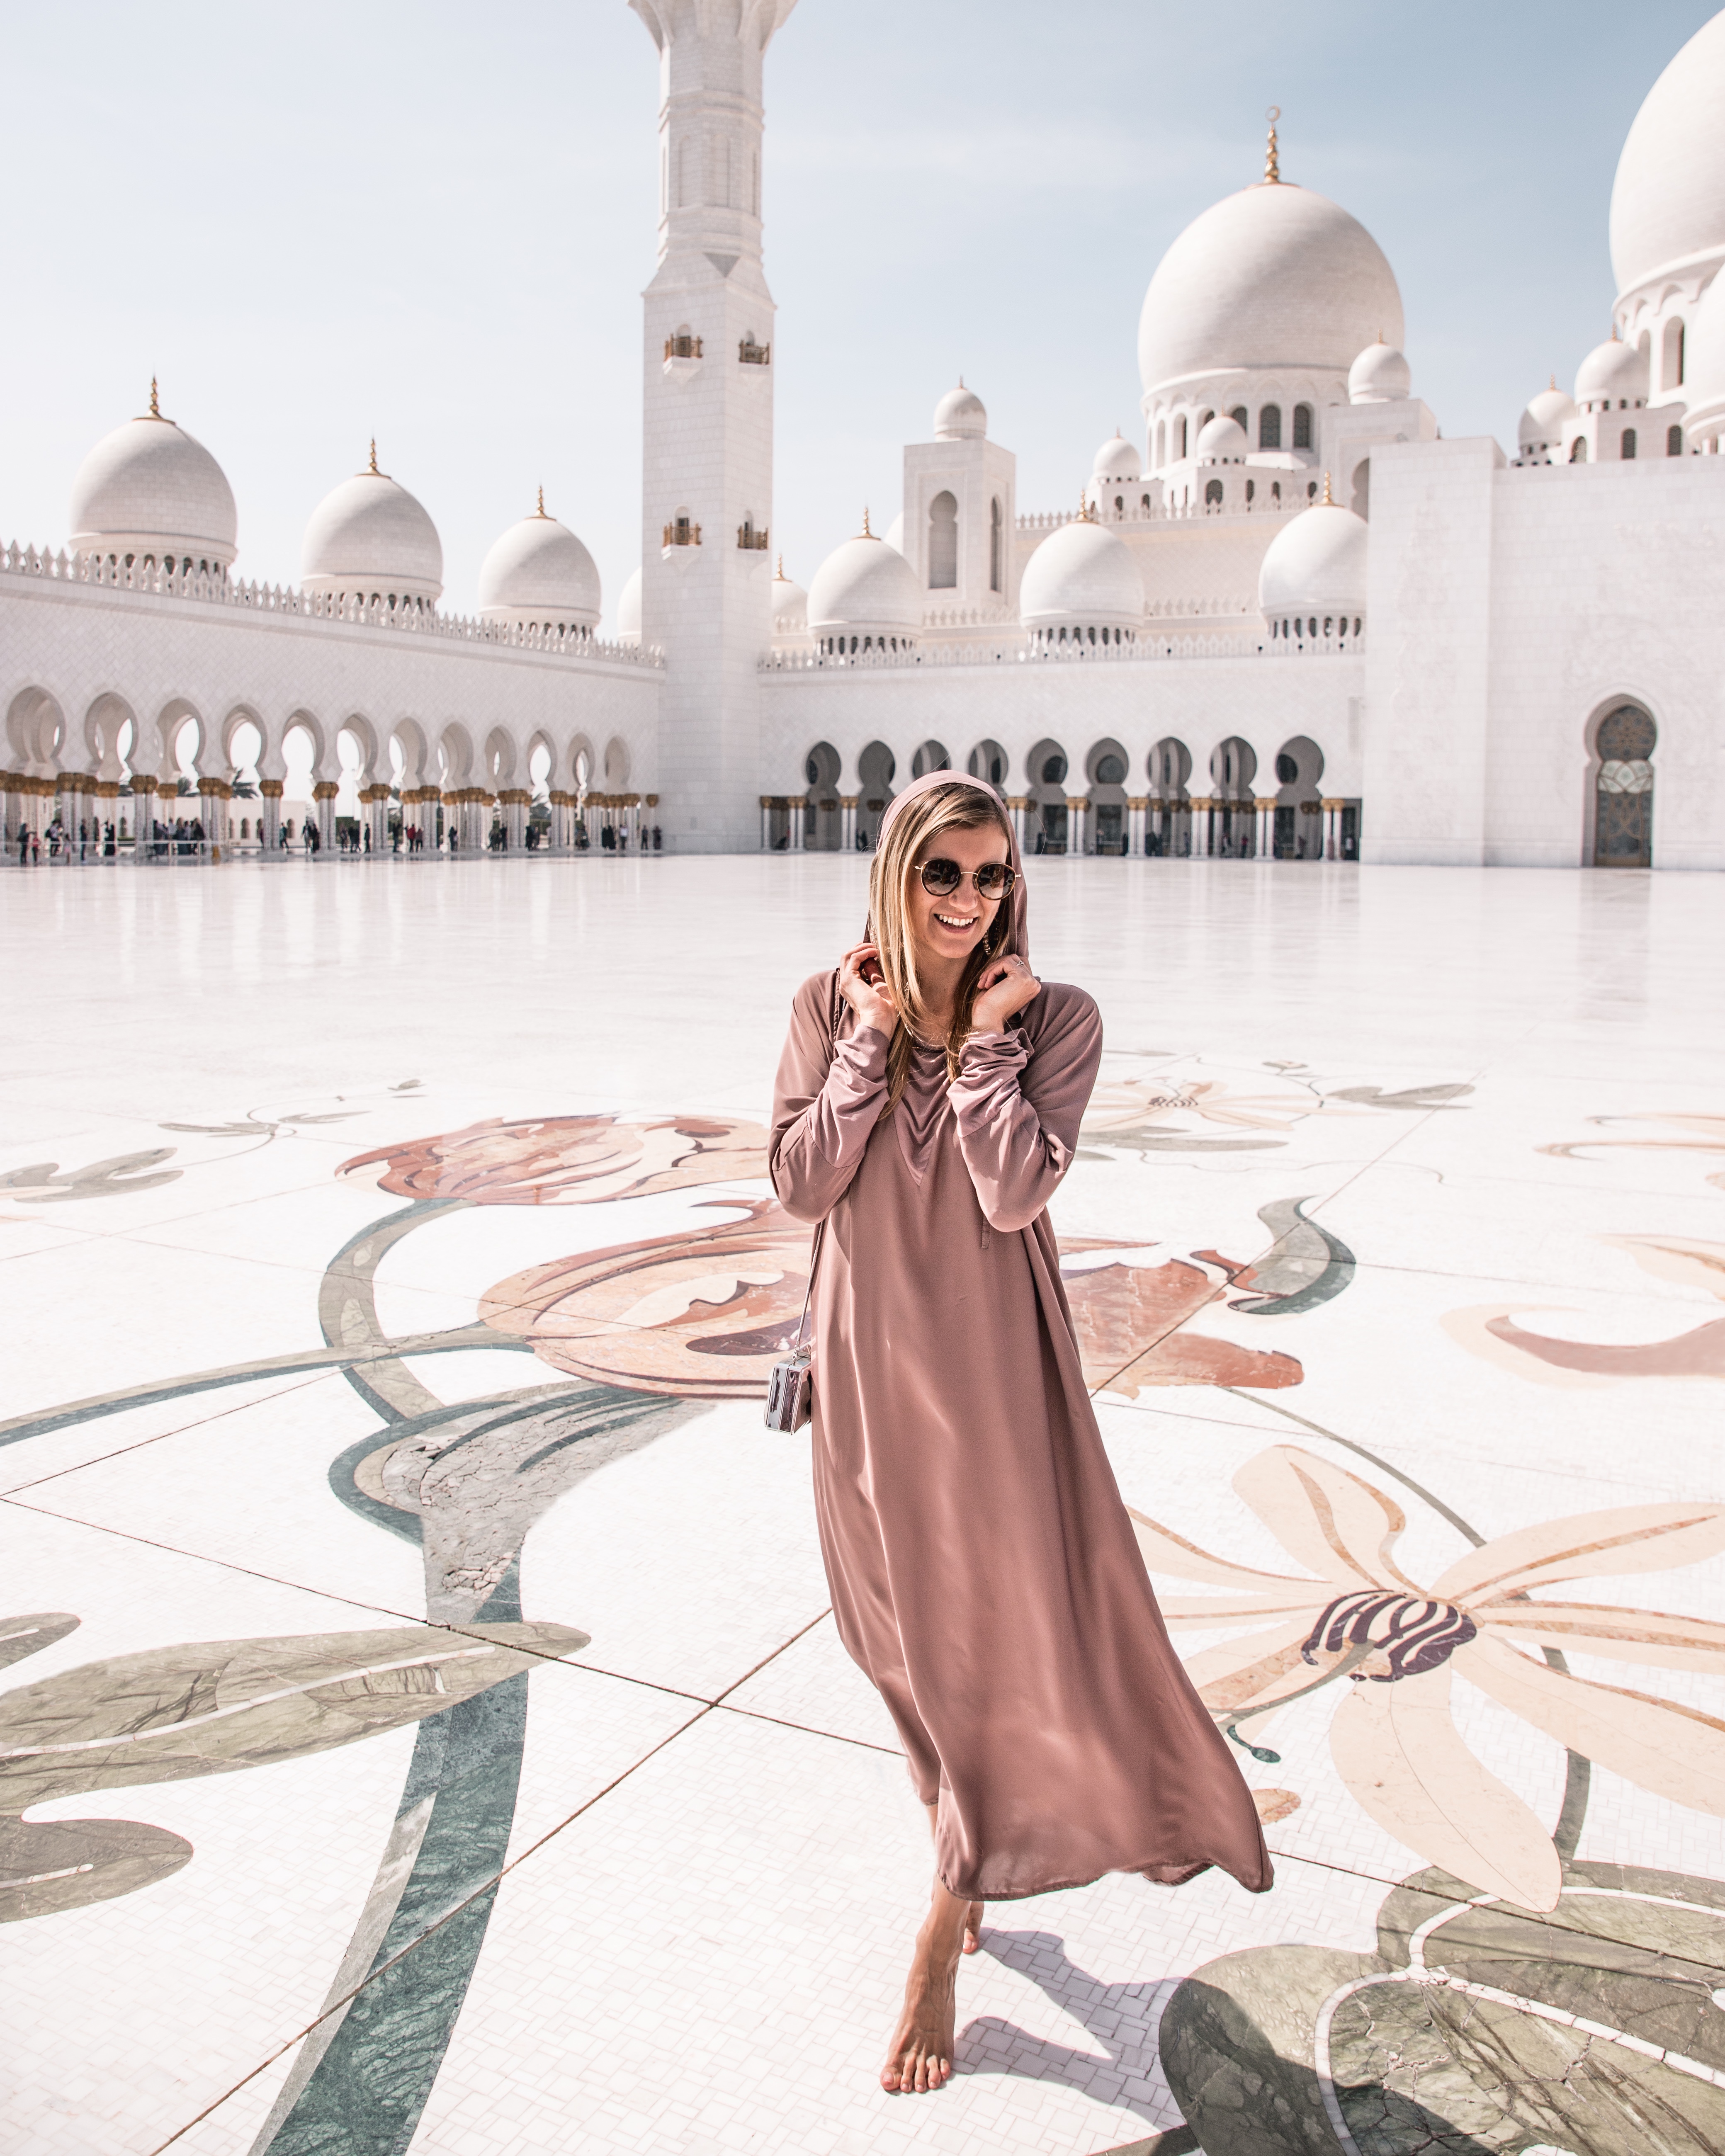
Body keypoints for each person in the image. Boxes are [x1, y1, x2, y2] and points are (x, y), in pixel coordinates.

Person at [769, 773, 1272, 2098]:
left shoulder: (1055, 1019)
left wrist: (984, 1044)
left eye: (993, 877)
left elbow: (1010, 1192)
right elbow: (801, 1182)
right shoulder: (828, 1006)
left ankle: (946, 1918)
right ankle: (965, 1838)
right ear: (897, 872)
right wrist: (872, 1041)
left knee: (980, 1641)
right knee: (886, 1636)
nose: (970, 902)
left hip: (991, 1374)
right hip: (869, 1366)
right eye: (944, 873)